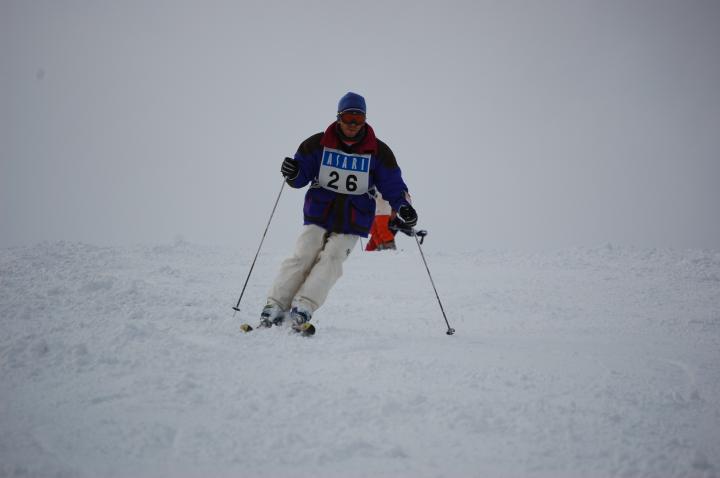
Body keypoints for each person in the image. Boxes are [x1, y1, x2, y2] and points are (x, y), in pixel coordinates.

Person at [258, 92, 418, 328]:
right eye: (348, 118)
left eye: (358, 119)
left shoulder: (379, 151)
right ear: (338, 117)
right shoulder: (317, 144)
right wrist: (293, 172)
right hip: (319, 211)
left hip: (354, 217)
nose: (353, 124)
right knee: (304, 254)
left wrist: (404, 207)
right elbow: (300, 176)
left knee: (332, 258)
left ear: (365, 120)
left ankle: (304, 306)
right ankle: (275, 305)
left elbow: (393, 186)